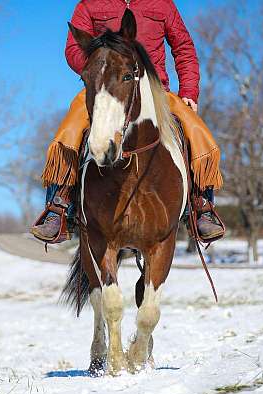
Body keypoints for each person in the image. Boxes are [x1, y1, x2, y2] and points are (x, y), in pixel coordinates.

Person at [31, 0, 224, 243]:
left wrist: (188, 92)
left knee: (195, 130)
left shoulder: (163, 5)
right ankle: (59, 205)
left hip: (156, 89)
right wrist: (104, 69)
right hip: (104, 86)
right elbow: (73, 48)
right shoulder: (89, 5)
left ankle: (201, 206)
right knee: (70, 127)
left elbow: (183, 47)